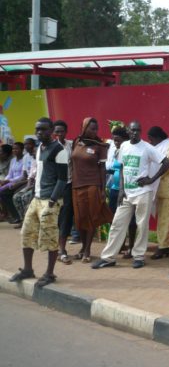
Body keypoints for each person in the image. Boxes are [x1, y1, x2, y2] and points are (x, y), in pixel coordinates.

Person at [92, 121, 169, 269]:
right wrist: (121, 189)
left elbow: (166, 162)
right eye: (133, 130)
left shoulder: (147, 148)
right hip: (127, 193)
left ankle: (139, 256)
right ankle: (108, 257)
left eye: (138, 130)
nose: (135, 133)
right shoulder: (124, 146)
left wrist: (151, 179)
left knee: (142, 225)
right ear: (128, 130)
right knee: (117, 224)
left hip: (143, 192)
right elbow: (122, 167)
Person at [9, 117, 68, 288]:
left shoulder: (60, 150)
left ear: (51, 131)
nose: (39, 132)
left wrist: (52, 201)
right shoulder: (40, 148)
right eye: (37, 129)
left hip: (50, 200)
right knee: (27, 233)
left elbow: (63, 180)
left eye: (43, 129)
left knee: (49, 237)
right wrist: (34, 196)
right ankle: (28, 269)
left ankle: (50, 273)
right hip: (37, 198)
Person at [70, 118, 113, 263]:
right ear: (84, 128)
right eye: (92, 129)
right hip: (77, 185)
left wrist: (102, 189)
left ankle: (87, 249)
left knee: (92, 217)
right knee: (80, 219)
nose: (95, 132)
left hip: (93, 185)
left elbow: (102, 169)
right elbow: (72, 163)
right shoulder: (76, 142)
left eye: (96, 129)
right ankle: (82, 247)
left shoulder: (99, 146)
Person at [147, 126, 169, 260]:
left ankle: (163, 247)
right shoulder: (166, 145)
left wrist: (151, 178)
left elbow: (164, 164)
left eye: (151, 139)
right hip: (163, 188)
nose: (150, 142)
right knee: (168, 219)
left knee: (167, 220)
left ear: (158, 137)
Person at [106, 127, 137, 258]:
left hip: (129, 191)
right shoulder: (116, 151)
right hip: (114, 189)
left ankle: (131, 247)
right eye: (114, 140)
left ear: (125, 139)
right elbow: (113, 167)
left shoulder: (131, 150)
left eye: (118, 140)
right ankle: (120, 244)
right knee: (115, 220)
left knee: (131, 221)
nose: (116, 143)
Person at [54, 120, 77, 259]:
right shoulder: (50, 147)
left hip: (68, 185)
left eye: (62, 131)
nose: (59, 134)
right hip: (54, 187)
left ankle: (62, 249)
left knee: (66, 217)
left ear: (66, 132)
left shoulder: (70, 144)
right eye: (57, 131)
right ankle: (55, 249)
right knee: (56, 217)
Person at [0, 142, 27, 224]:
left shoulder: (24, 159)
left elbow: (22, 176)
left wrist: (9, 181)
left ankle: (14, 216)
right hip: (11, 181)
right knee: (2, 192)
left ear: (22, 150)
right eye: (14, 149)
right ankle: (12, 215)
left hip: (20, 182)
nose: (15, 150)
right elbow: (10, 174)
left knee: (3, 192)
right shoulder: (13, 160)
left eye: (17, 149)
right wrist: (5, 180)